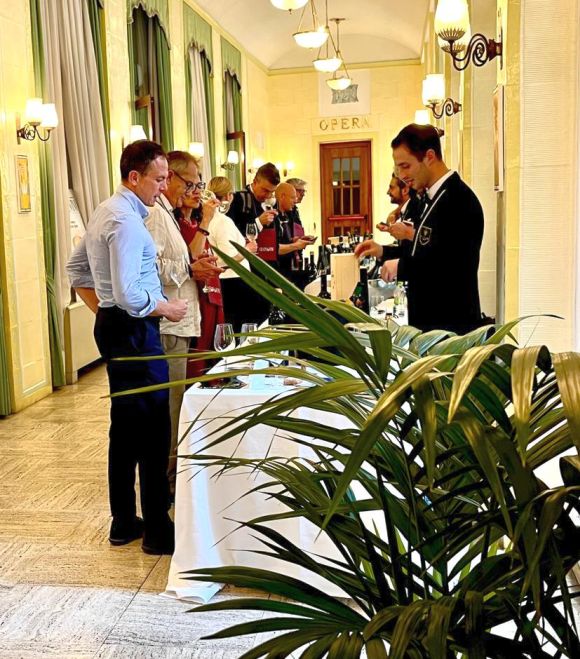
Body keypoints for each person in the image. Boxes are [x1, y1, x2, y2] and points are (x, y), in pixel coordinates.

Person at [66, 140, 186, 555]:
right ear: (134, 177)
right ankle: (156, 529)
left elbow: (75, 269)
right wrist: (166, 308)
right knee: (154, 429)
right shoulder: (129, 223)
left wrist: (104, 311)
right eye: (158, 178)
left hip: (116, 327)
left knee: (125, 426)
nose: (164, 187)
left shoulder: (104, 210)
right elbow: (131, 295)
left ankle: (123, 521)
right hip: (135, 330)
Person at [355, 123, 484, 335]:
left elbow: (451, 266)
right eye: (398, 168)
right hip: (429, 323)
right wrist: (383, 252)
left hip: (449, 326)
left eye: (406, 166)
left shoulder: (458, 200)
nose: (401, 175)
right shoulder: (432, 197)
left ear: (429, 157)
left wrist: (402, 267)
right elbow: (425, 251)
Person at [144, 150, 222, 497]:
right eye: (188, 183)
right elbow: (154, 268)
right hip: (170, 323)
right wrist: (193, 269)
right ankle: (167, 483)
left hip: (182, 319)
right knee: (171, 407)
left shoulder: (167, 215)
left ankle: (172, 476)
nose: (191, 191)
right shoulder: (155, 216)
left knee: (178, 403)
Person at [174, 170, 225, 378]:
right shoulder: (177, 224)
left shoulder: (193, 222)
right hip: (193, 297)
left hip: (210, 294)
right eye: (191, 187)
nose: (197, 193)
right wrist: (206, 221)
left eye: (199, 186)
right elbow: (191, 257)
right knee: (195, 361)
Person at [205, 176, 260, 333]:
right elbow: (229, 259)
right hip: (234, 282)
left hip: (223, 282)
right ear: (229, 196)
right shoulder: (223, 221)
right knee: (239, 327)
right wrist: (247, 250)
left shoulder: (208, 219)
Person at [275, 182, 312, 287]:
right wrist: (296, 245)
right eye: (292, 197)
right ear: (282, 196)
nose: (295, 200)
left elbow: (284, 239)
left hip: (290, 267)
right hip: (279, 270)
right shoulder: (273, 217)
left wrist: (296, 240)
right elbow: (274, 248)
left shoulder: (287, 214)